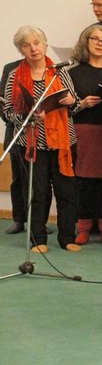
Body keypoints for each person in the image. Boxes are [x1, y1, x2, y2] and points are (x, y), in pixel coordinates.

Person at [3, 26, 83, 253]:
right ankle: (38, 239)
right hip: (31, 143)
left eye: (36, 42)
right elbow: (8, 111)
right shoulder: (13, 75)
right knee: (37, 192)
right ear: (21, 50)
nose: (33, 48)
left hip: (63, 141)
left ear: (45, 44)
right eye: (26, 45)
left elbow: (75, 105)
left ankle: (67, 237)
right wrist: (27, 118)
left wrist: (70, 101)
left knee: (66, 190)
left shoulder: (59, 72)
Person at [69, 25, 102, 246]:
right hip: (83, 131)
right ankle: (83, 228)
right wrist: (81, 104)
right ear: (85, 41)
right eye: (95, 39)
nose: (100, 43)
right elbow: (63, 108)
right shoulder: (73, 72)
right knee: (83, 183)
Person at [1, 59, 27, 234]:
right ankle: (19, 220)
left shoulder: (50, 68)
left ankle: (38, 221)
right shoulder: (11, 69)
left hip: (42, 133)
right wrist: (13, 120)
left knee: (41, 182)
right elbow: (2, 101)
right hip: (15, 131)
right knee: (18, 179)